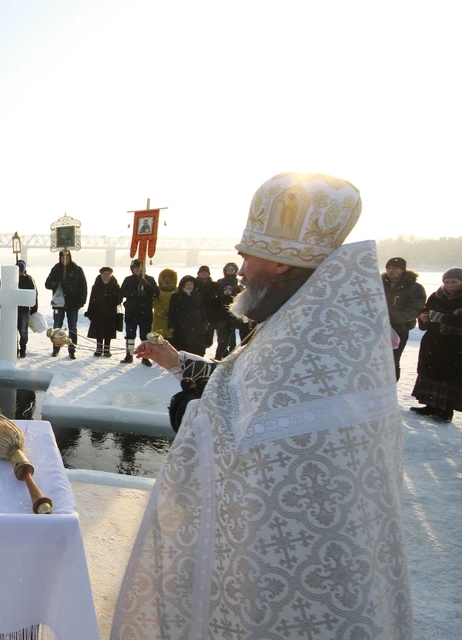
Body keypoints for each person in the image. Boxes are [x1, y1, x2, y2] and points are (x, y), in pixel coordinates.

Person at [114, 172, 411, 639]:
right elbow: (242, 391)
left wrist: (194, 413)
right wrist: (181, 364)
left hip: (300, 576)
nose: (241, 261)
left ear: (279, 265)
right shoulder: (306, 317)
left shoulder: (316, 339)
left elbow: (243, 436)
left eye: (248, 252)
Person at [410, 268, 461, 422]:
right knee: (430, 373)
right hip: (433, 342)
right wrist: (424, 317)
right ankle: (430, 405)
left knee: (448, 377)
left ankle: (446, 411)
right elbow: (425, 311)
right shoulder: (436, 296)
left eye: (454, 282)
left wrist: (442, 318)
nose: (450, 285)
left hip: (455, 345)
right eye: (447, 282)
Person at [383, 257, 426, 381]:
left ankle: (390, 389)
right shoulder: (378, 283)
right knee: (376, 362)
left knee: (392, 361)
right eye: (388, 267)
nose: (391, 270)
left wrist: (390, 318)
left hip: (399, 330)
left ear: (403, 270)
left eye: (395, 268)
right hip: (376, 329)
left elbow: (414, 310)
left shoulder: (414, 287)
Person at [45, 249, 87, 359]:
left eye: (67, 257)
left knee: (72, 327)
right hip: (59, 304)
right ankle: (56, 348)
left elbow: (83, 287)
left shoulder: (77, 269)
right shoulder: (56, 269)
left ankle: (72, 350)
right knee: (57, 326)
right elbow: (47, 284)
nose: (65, 259)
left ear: (70, 257)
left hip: (73, 304)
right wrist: (58, 282)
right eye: (62, 258)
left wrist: (81, 302)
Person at [119, 258, 160, 364]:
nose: (137, 270)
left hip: (145, 311)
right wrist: (134, 293)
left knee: (145, 335)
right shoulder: (128, 279)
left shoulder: (149, 279)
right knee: (130, 334)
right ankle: (129, 355)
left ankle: (145, 356)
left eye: (139, 268)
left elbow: (156, 293)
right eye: (135, 268)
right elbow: (122, 292)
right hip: (131, 311)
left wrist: (147, 286)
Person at [167, 275, 208, 356]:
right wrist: (171, 324)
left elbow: (202, 309)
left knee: (196, 346)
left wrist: (205, 322)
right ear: (183, 285)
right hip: (181, 324)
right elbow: (172, 311)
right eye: (188, 284)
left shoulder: (197, 295)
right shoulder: (176, 295)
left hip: (196, 324)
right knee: (182, 346)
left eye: (191, 284)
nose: (190, 286)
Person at [86, 266, 121, 357]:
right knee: (99, 331)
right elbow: (92, 299)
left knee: (108, 331)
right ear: (101, 275)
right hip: (98, 311)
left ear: (111, 274)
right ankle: (99, 349)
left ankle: (107, 349)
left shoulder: (115, 284)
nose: (106, 275)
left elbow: (120, 298)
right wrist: (90, 311)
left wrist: (112, 300)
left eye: (108, 274)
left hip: (110, 312)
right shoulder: (97, 285)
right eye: (104, 274)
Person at [213, 262, 245, 359]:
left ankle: (238, 356)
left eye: (232, 270)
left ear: (235, 271)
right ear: (225, 271)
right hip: (223, 314)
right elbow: (216, 298)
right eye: (228, 270)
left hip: (237, 313)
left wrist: (235, 292)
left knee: (241, 337)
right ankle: (219, 357)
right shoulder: (220, 282)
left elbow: (243, 296)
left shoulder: (239, 282)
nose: (230, 272)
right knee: (223, 339)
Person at [16, 261, 38, 358]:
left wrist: (34, 307)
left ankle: (23, 348)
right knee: (13, 331)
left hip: (24, 310)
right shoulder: (12, 279)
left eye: (20, 270)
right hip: (13, 309)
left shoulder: (29, 280)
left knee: (23, 332)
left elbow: (34, 294)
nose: (19, 273)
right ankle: (14, 348)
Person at [150, 268, 176, 341]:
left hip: (171, 317)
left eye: (169, 277)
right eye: (165, 277)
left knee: (170, 338)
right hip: (159, 318)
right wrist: (161, 312)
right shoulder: (157, 289)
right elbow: (154, 302)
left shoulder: (176, 290)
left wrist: (172, 313)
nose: (167, 279)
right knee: (157, 338)